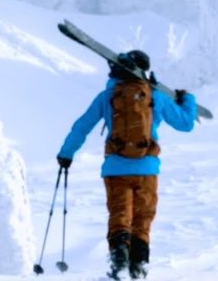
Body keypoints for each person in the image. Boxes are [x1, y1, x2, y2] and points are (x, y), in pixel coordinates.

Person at [56, 49, 197, 279]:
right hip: (147, 169)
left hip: (115, 169)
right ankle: (138, 267)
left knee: (120, 215)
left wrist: (66, 154)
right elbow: (186, 124)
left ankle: (119, 262)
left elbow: (82, 126)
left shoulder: (108, 96)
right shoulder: (155, 96)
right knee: (142, 219)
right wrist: (187, 100)